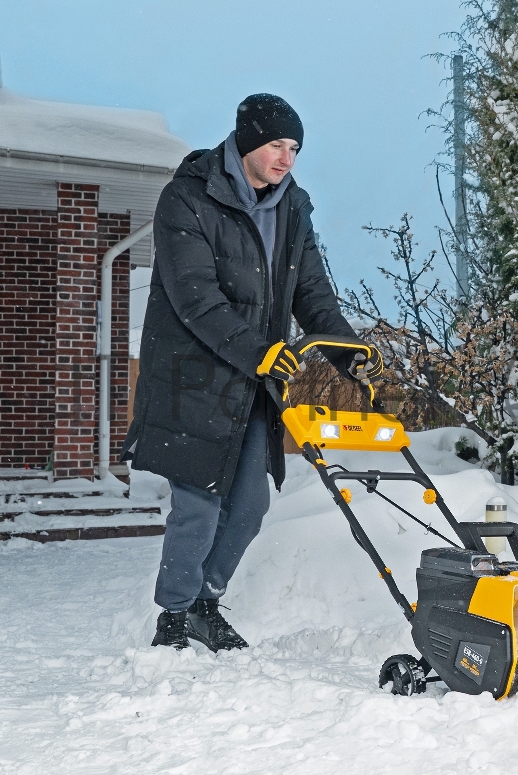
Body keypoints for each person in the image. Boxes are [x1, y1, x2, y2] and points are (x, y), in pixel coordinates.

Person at [121, 94, 382, 651]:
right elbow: (195, 297)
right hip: (193, 375)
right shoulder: (187, 198)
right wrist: (257, 351)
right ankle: (173, 617)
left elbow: (312, 292)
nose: (287, 159)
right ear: (246, 143)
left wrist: (348, 353)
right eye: (276, 146)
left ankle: (204, 603)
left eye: (295, 148)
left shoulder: (293, 207)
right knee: (198, 503)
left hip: (253, 381)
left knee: (250, 505)